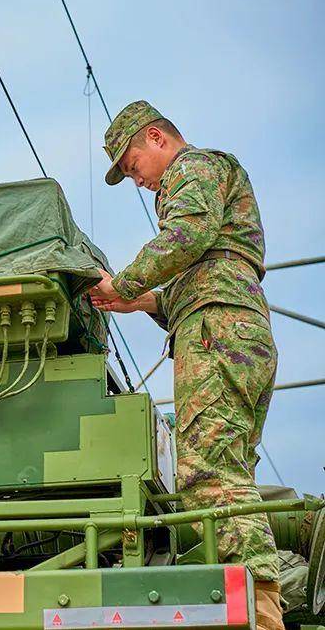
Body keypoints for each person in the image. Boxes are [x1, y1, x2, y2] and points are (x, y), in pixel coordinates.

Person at [89, 101, 283, 630]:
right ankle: (260, 602)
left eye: (132, 166)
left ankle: (260, 615)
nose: (138, 181)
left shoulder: (193, 168)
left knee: (209, 474)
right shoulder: (213, 178)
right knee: (228, 470)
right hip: (235, 329)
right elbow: (205, 265)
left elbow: (187, 235)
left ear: (156, 138)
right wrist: (144, 302)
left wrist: (125, 282)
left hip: (217, 333)